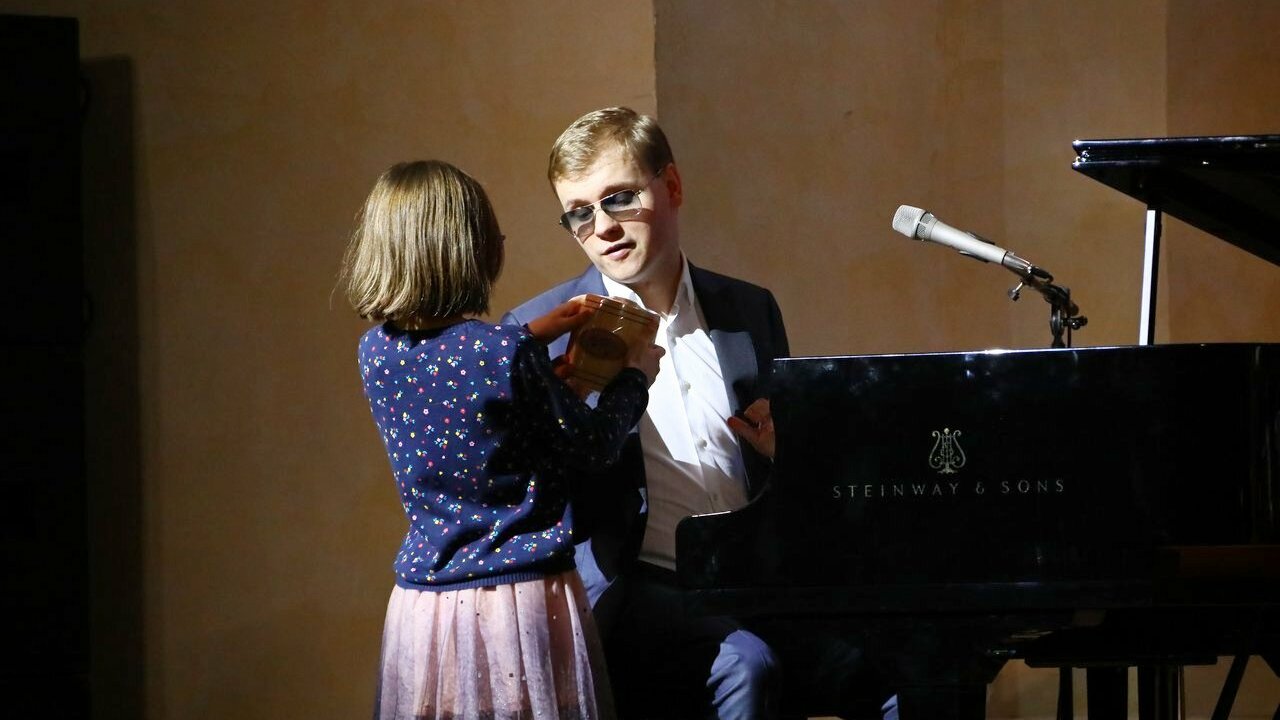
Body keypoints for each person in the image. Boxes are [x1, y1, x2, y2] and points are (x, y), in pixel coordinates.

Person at [503, 107, 799, 719]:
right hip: (634, 589)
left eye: (619, 198)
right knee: (747, 667)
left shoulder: (749, 309)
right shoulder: (541, 332)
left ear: (673, 186)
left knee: (903, 667)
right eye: (579, 213)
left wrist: (786, 449)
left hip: (757, 583)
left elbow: (786, 455)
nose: (603, 227)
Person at [342, 159, 663, 720]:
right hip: (517, 602)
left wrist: (534, 340)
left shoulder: (375, 351)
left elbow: (460, 382)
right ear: (469, 248)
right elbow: (593, 445)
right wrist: (635, 376)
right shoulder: (501, 352)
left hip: (425, 608)